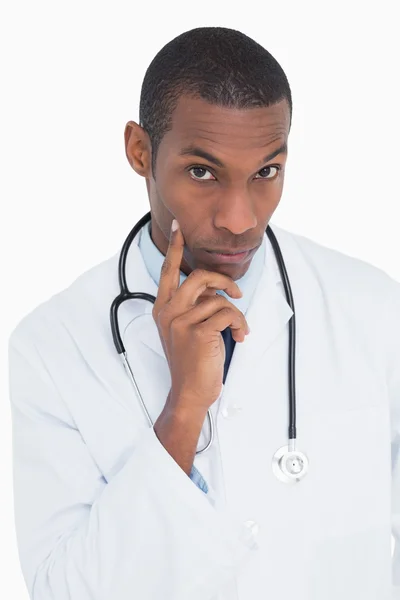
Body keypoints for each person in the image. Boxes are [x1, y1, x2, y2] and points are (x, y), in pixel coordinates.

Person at [7, 26, 400, 600]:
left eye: (266, 172)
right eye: (202, 172)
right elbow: (63, 591)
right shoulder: (51, 347)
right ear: (141, 152)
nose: (240, 218)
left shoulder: (373, 310)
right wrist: (184, 409)